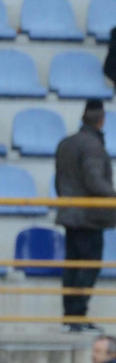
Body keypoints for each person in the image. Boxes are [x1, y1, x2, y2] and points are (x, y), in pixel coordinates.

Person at [55, 101, 116, 333]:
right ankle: (77, 315)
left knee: (72, 266)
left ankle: (70, 315)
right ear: (101, 121)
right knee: (88, 267)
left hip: (70, 214)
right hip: (89, 218)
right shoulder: (92, 147)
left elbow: (59, 180)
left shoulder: (66, 143)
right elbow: (94, 181)